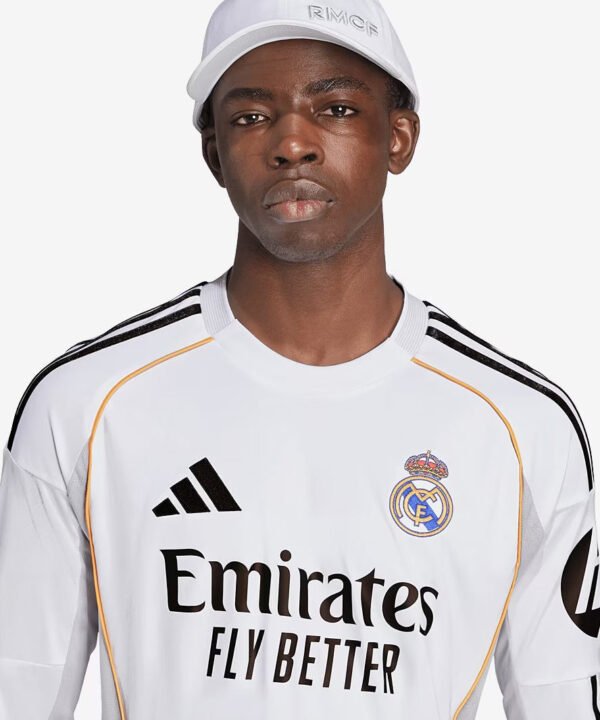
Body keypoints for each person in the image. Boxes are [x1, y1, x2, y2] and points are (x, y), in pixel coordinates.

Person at [0, 0, 598, 717]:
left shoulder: (523, 428)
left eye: (336, 109)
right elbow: (18, 688)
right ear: (214, 153)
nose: (292, 144)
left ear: (399, 137)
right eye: (252, 116)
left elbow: (564, 699)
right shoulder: (88, 404)